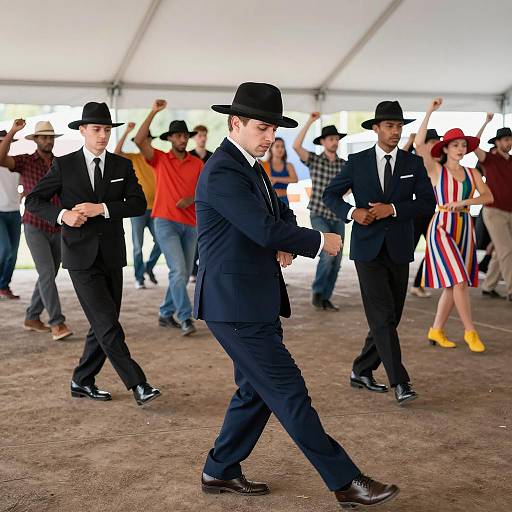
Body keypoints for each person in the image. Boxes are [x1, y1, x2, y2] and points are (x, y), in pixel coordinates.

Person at [194, 82, 399, 509]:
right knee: (288, 391)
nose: (271, 137)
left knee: (255, 390)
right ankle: (345, 482)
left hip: (252, 298)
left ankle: (219, 469)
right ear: (236, 123)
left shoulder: (249, 165)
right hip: (233, 304)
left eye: (275, 129)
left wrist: (284, 236)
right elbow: (263, 228)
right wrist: (318, 240)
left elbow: (276, 212)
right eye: (263, 127)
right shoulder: (223, 170)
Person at [25, 102, 161, 406]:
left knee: (104, 322)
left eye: (107, 129)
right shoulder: (64, 165)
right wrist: (63, 215)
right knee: (107, 323)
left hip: (112, 254)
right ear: (83, 130)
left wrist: (103, 209)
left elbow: (138, 204)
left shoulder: (121, 166)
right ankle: (138, 384)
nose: (103, 135)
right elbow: (34, 200)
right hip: (78, 256)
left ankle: (82, 380)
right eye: (97, 129)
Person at [323, 100, 436, 405]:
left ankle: (361, 370)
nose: (395, 131)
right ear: (376, 128)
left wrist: (394, 209)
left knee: (390, 318)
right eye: (389, 126)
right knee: (383, 317)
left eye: (399, 126)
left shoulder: (412, 164)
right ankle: (400, 381)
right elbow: (329, 194)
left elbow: (427, 202)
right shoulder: (356, 162)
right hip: (367, 249)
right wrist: (352, 213)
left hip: (400, 247)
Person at [417, 98, 494, 352]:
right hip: (441, 227)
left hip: (464, 228)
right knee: (459, 281)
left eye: (463, 145)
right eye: (455, 145)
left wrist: (465, 201)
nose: (460, 148)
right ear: (446, 149)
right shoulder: (437, 170)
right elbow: (419, 145)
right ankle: (470, 331)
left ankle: (436, 330)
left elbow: (488, 197)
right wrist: (430, 111)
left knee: (454, 284)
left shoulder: (473, 173)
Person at [134, 102, 203, 336]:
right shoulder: (160, 159)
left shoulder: (198, 163)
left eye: (185, 135)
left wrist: (191, 199)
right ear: (170, 138)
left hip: (191, 224)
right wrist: (153, 111)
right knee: (179, 271)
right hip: (165, 221)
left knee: (181, 274)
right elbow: (139, 139)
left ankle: (165, 312)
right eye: (178, 135)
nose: (182, 139)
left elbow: (207, 192)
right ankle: (185, 317)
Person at [0, 120, 72, 340]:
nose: (48, 140)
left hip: (57, 225)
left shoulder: (62, 164)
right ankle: (57, 323)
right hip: (33, 224)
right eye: (43, 137)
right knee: (47, 273)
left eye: (50, 137)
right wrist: (12, 132)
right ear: (36, 140)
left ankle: (32, 316)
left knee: (48, 275)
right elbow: (1, 158)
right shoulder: (24, 161)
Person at [294, 118, 347, 311]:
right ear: (323, 142)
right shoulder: (314, 160)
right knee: (328, 255)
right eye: (330, 139)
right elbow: (296, 145)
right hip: (318, 213)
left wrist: (342, 195)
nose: (334, 141)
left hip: (338, 216)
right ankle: (317, 292)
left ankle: (326, 297)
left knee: (338, 260)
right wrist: (309, 121)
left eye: (336, 139)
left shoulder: (344, 165)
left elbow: (350, 187)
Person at [114, 122, 161, 289]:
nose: (144, 143)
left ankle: (148, 267)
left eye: (147, 140)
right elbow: (116, 152)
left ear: (150, 141)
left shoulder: (158, 159)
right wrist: (127, 131)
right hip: (138, 209)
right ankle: (139, 277)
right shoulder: (133, 158)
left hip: (157, 209)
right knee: (137, 247)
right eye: (141, 140)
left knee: (161, 242)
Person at [474, 115, 512, 302]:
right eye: (506, 139)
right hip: (494, 211)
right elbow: (473, 146)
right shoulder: (489, 159)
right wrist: (486, 123)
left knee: (501, 251)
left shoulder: (511, 161)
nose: (509, 142)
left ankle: (488, 287)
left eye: (511, 139)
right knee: (507, 250)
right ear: (497, 142)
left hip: (510, 211)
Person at [403, 129, 442, 298]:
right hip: (414, 213)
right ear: (424, 144)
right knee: (405, 251)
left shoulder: (440, 161)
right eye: (432, 141)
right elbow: (399, 158)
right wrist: (411, 141)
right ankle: (395, 283)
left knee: (434, 249)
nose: (435, 145)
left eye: (436, 142)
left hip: (432, 214)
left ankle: (418, 284)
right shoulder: (413, 161)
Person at [188, 125, 213, 281]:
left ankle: (203, 268)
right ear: (194, 137)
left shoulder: (212, 156)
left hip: (209, 202)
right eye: (199, 135)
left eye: (204, 135)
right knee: (193, 238)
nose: (202, 138)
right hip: (190, 203)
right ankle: (192, 270)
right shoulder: (188, 156)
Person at [0, 130, 21, 300]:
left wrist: (23, 195)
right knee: (5, 250)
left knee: (13, 254)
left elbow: (27, 183)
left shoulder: (14, 163)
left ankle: (4, 286)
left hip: (14, 212)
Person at [261, 137, 298, 206]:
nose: (280, 149)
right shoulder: (265, 165)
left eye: (282, 147)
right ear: (271, 148)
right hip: (269, 200)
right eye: (277, 146)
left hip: (284, 200)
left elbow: (295, 179)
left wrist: (276, 179)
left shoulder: (288, 165)